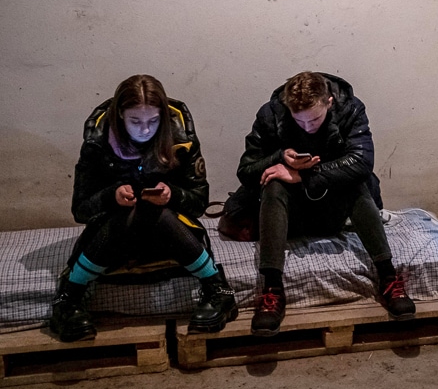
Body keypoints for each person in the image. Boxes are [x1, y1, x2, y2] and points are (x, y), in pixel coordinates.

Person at [50, 75, 237, 343]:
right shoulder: (96, 144)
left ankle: (218, 290)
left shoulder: (181, 139)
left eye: (153, 121)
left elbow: (198, 203)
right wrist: (110, 196)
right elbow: (80, 210)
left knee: (153, 211)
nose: (145, 130)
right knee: (133, 212)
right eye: (135, 121)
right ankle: (69, 297)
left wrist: (173, 195)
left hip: (169, 234)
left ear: (163, 117)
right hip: (114, 235)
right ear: (119, 117)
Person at [237, 71, 415, 337]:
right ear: (288, 109)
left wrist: (304, 175)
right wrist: (279, 158)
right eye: (300, 121)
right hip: (292, 213)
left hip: (334, 205)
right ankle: (272, 290)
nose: (308, 127)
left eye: (316, 119)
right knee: (273, 184)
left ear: (329, 102)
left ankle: (388, 277)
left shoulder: (351, 109)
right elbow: (246, 171)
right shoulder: (270, 114)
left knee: (356, 183)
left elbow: (363, 163)